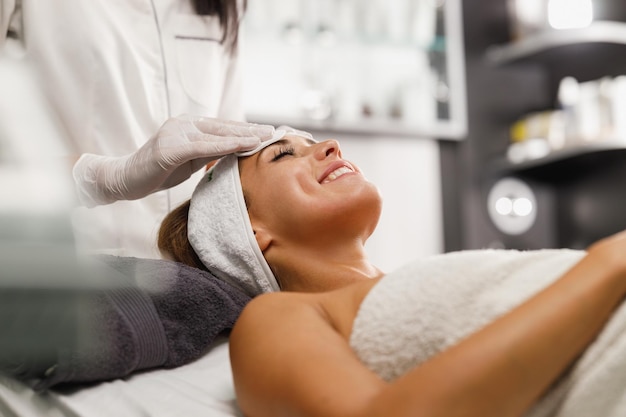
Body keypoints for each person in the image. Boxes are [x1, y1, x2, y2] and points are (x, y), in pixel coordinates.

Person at [158, 130, 626, 417]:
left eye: (311, 141)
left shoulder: (430, 277)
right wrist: (608, 262)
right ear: (250, 229)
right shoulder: (272, 320)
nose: (329, 146)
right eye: (283, 155)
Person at [0, 0, 274, 259]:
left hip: (185, 273)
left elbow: (225, 148)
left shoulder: (226, 5)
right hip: (70, 260)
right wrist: (102, 179)